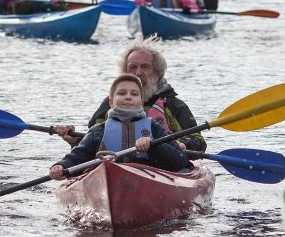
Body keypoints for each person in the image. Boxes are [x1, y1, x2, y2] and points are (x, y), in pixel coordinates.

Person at [53, 35, 207, 152]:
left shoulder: (173, 105)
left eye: (145, 67)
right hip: (114, 165)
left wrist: (183, 144)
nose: (138, 73)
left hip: (162, 165)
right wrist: (73, 140)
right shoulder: (110, 104)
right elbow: (90, 143)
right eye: (132, 67)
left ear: (157, 72)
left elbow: (199, 141)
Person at [49, 74, 189, 180]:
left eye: (134, 94)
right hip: (108, 181)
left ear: (141, 102)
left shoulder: (154, 128)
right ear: (111, 102)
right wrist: (62, 166)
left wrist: (154, 146)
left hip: (147, 180)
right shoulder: (99, 130)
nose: (128, 97)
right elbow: (78, 156)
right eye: (122, 93)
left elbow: (180, 160)